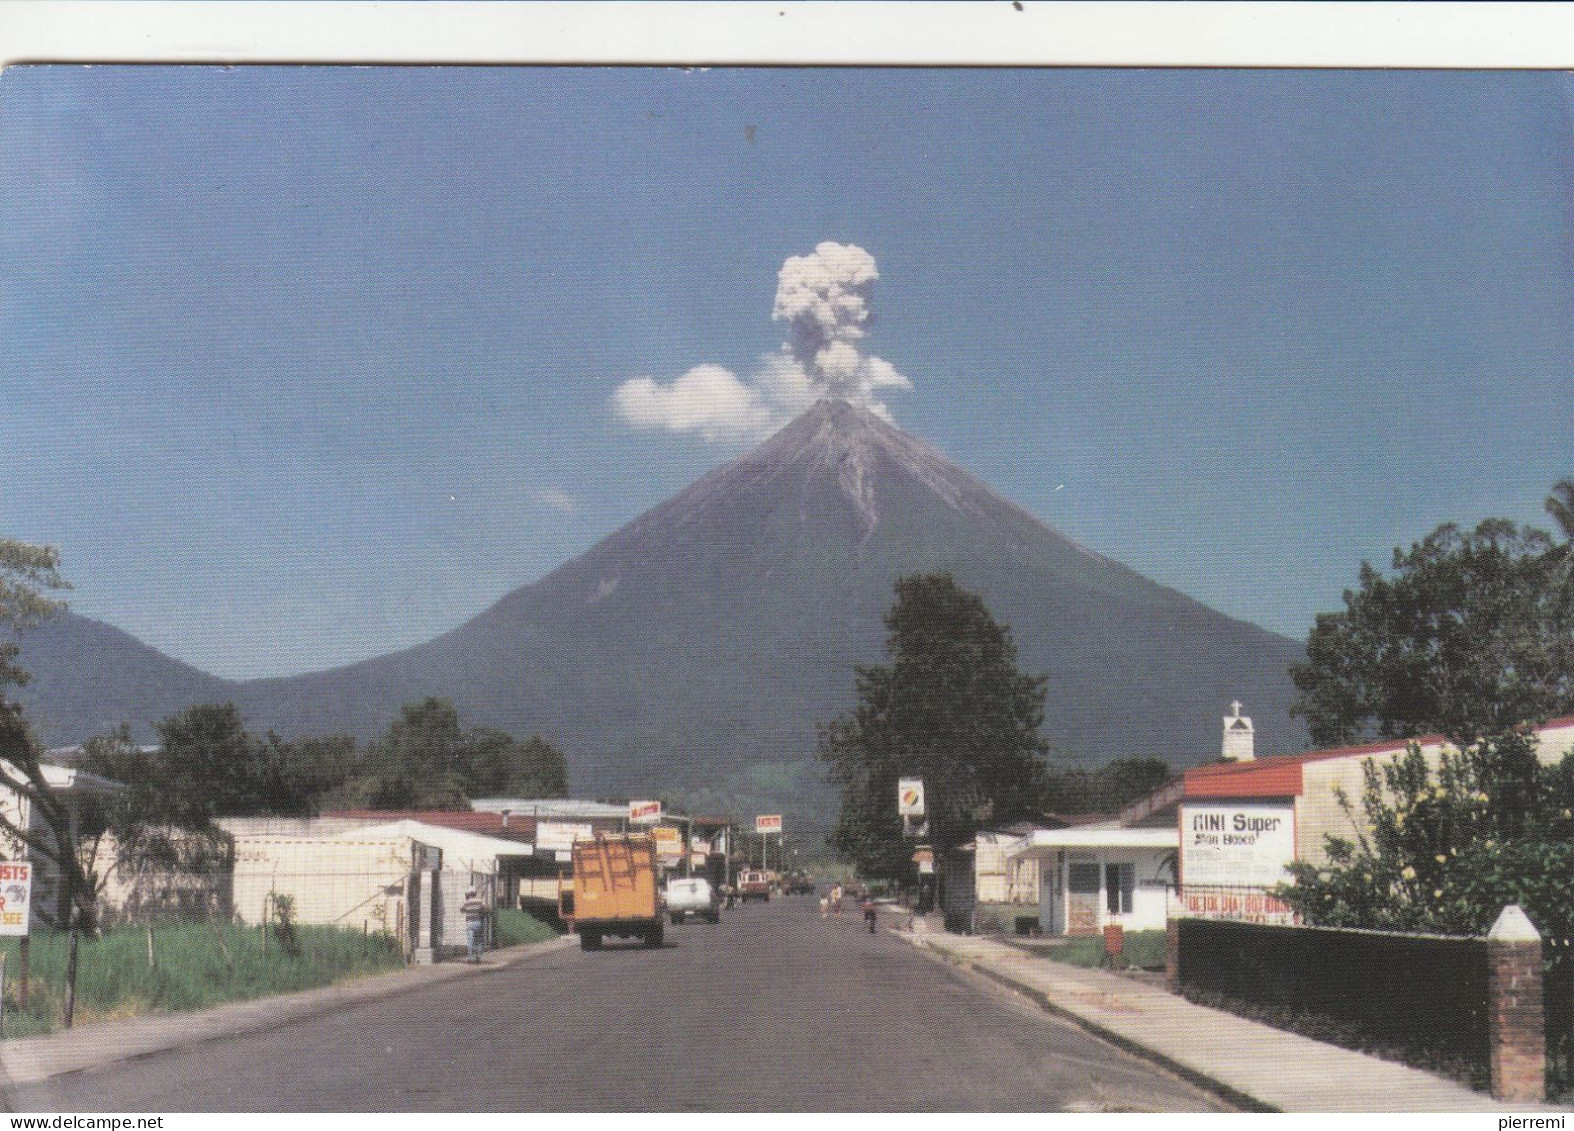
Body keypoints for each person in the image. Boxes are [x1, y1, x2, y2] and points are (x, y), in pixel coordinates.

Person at [461, 886, 488, 964]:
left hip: (469, 923)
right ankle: (478, 957)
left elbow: (462, 910)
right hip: (477, 922)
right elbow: (485, 909)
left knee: (470, 941)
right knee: (478, 941)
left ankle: (469, 958)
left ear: (468, 894)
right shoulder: (480, 901)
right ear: (475, 893)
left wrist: (467, 904)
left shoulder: (466, 902)